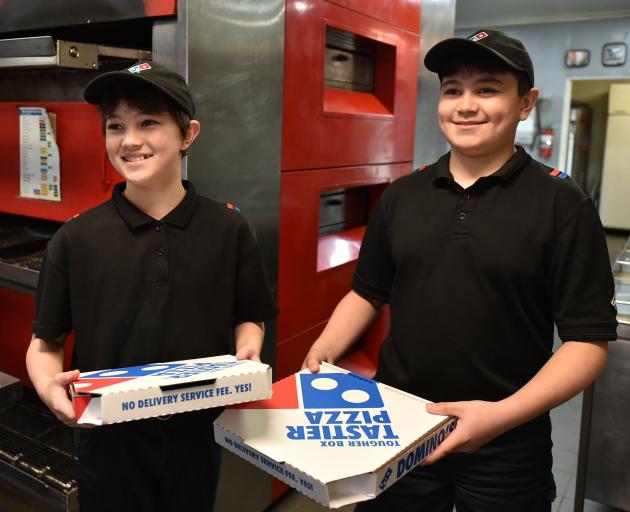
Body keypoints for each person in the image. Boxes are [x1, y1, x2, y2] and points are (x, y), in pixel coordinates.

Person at [303, 30, 617, 512]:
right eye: (453, 90)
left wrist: (499, 417)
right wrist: (323, 351)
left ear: (525, 103)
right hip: (400, 426)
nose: (465, 105)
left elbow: (587, 342)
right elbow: (367, 293)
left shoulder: (562, 205)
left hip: (507, 438)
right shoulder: (402, 196)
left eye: (487, 89)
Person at [26, 61, 278, 512]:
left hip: (198, 433)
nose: (130, 140)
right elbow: (45, 342)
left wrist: (249, 347)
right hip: (108, 440)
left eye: (148, 122)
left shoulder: (229, 228)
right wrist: (49, 388)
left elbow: (249, 314)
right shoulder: (76, 239)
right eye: (115, 125)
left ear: (188, 134)